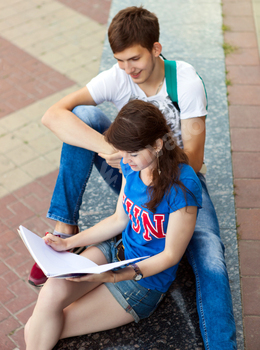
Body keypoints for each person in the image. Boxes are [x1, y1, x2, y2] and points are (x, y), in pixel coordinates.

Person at [28, 6, 237, 349]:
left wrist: (149, 155)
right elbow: (54, 116)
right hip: (138, 166)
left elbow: (194, 161)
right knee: (82, 117)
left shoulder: (184, 83)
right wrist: (117, 152)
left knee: (211, 257)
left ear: (155, 48)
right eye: (120, 61)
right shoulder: (120, 82)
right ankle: (65, 227)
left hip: (173, 175)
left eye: (134, 59)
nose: (127, 70)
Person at [24, 100, 202, 350]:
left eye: (133, 153)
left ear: (158, 145)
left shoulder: (183, 187)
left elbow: (171, 255)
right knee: (50, 294)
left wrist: (116, 276)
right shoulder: (133, 167)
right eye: (124, 153)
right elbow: (119, 219)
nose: (125, 161)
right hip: (114, 251)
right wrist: (68, 242)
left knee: (37, 327)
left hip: (142, 282)